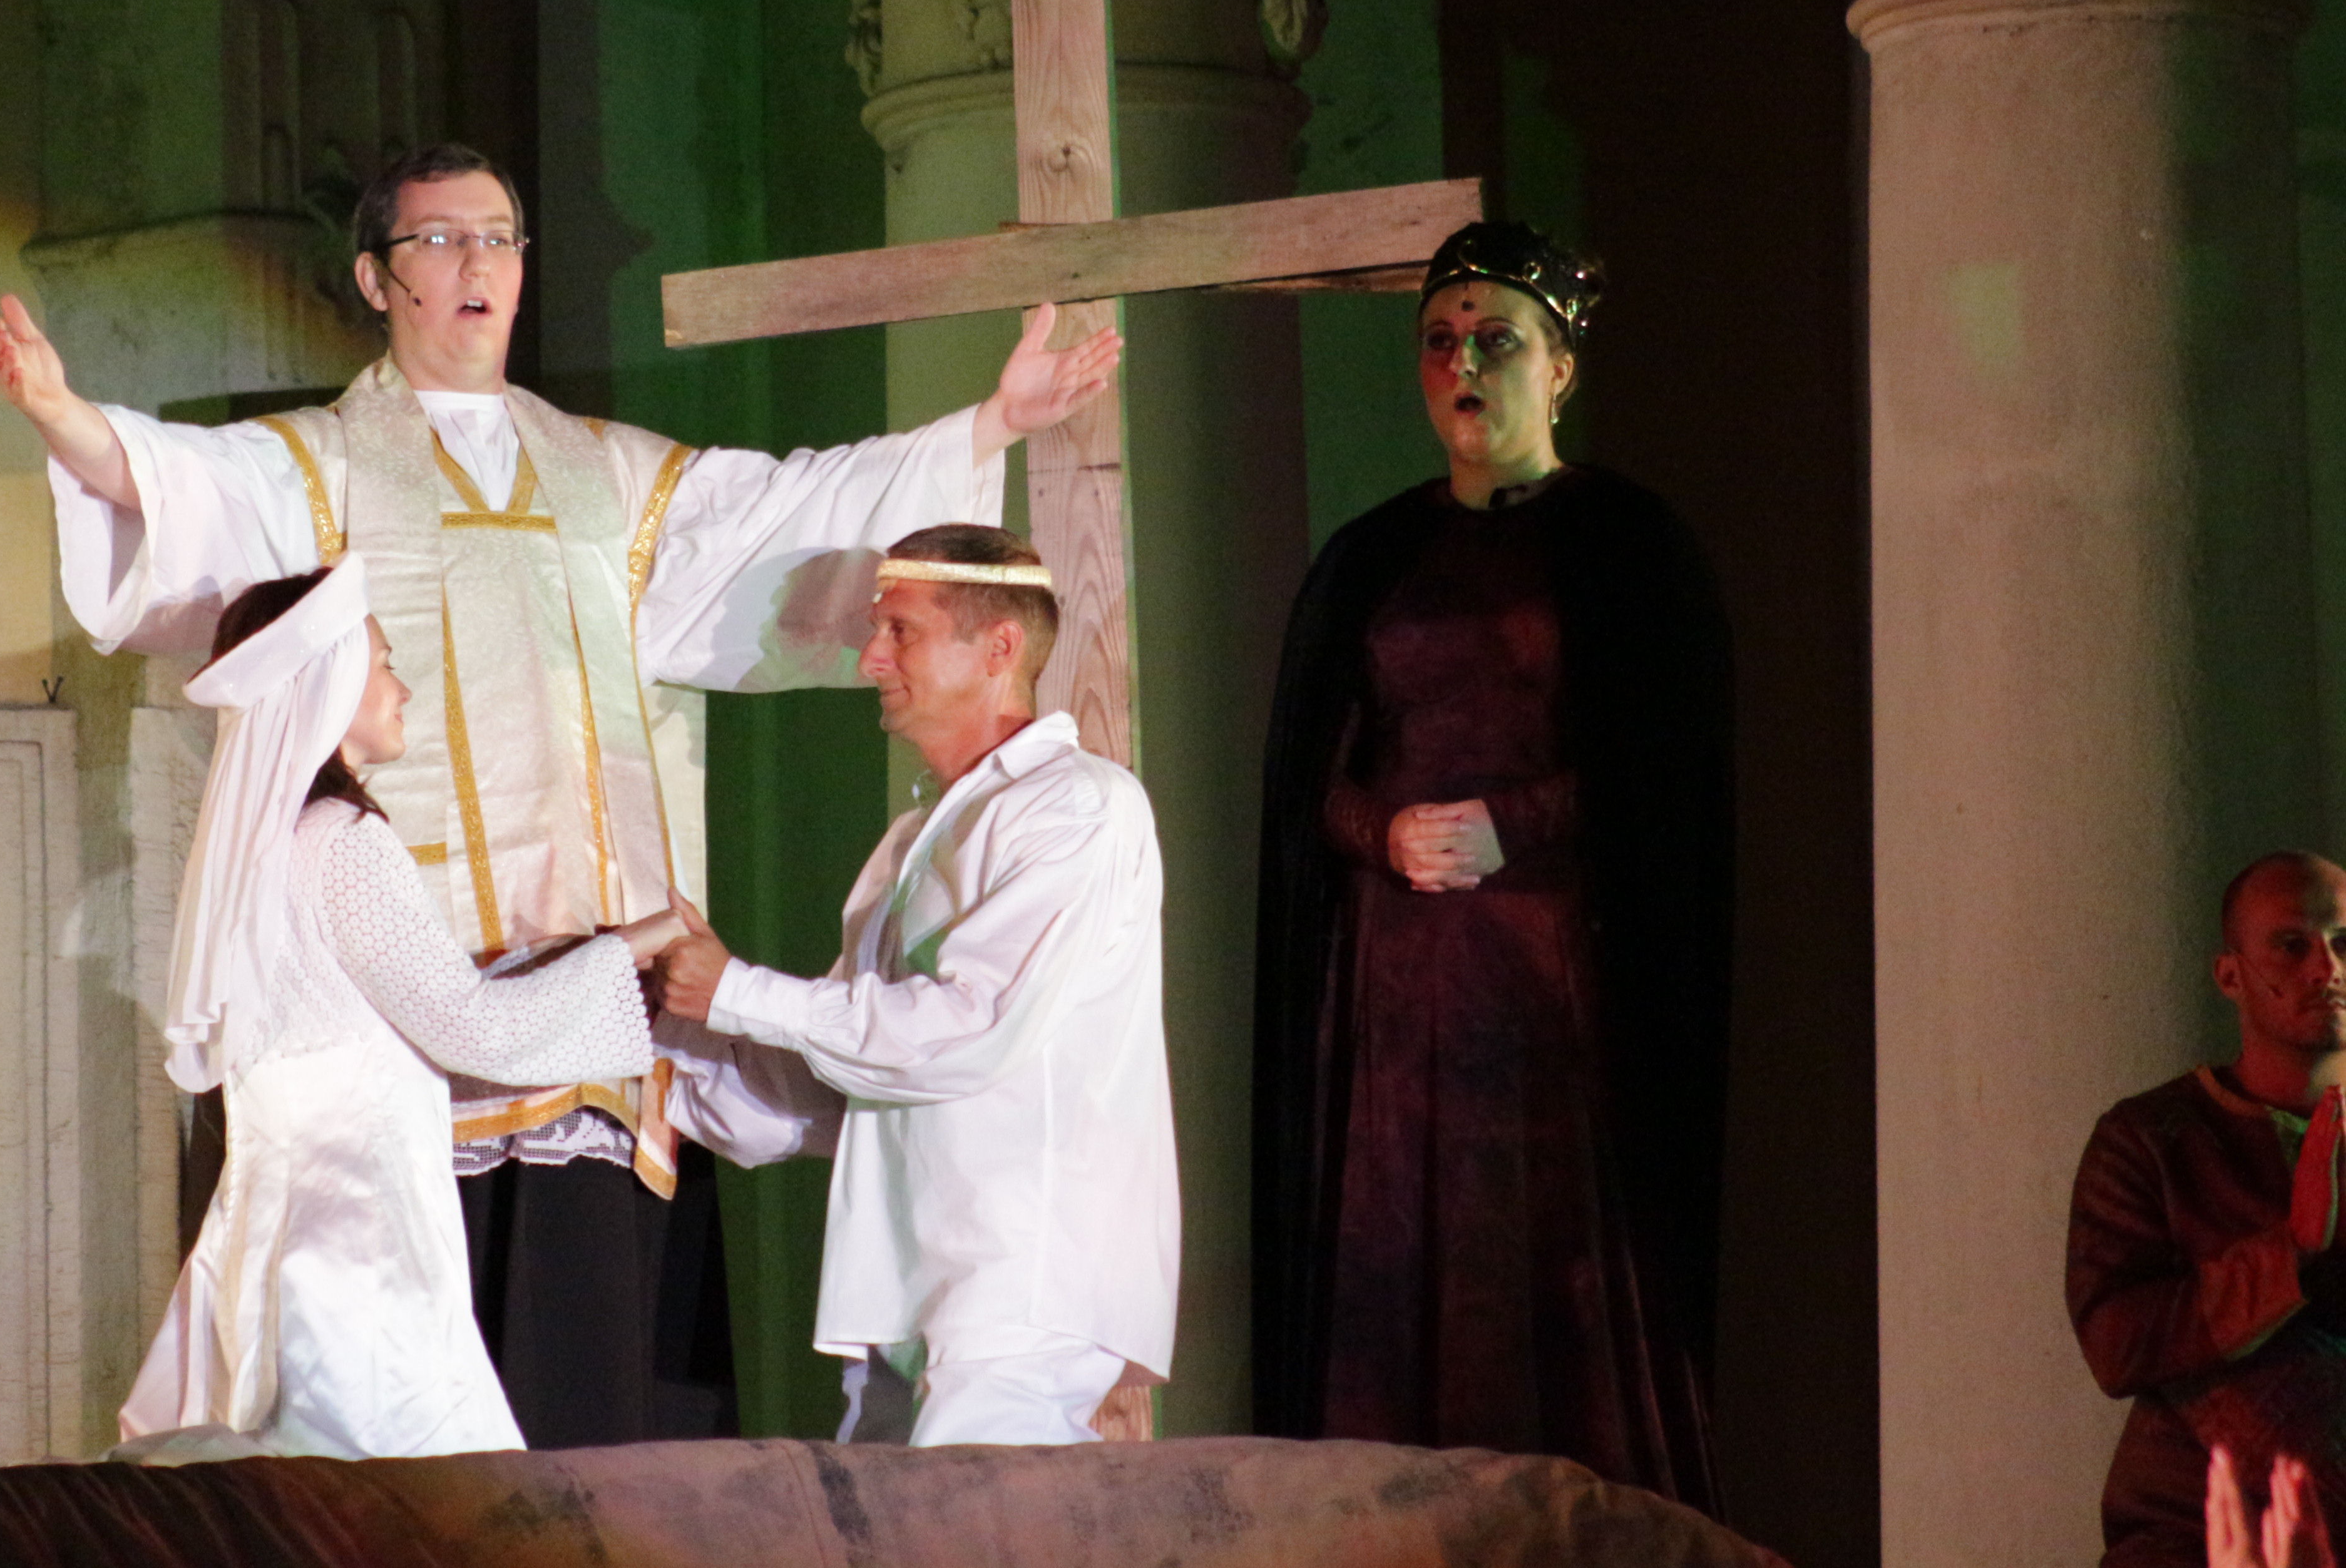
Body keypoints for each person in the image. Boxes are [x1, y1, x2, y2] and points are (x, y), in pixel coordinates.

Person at [0, 141, 1116, 1445]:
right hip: (415, 1042)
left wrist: (988, 427)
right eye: (440, 240)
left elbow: (786, 514)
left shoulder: (603, 473)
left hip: (597, 1029)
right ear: (376, 277)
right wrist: (64, 418)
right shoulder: (320, 467)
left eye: (500, 238)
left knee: (600, 1419)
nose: (477, 263)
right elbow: (183, 487)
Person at [1249, 219, 1732, 1507]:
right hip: (1392, 982)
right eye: (1439, 340)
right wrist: (1378, 833)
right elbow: (1307, 782)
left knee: (1543, 1253)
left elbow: (1663, 765)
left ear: (1560, 368)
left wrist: (1515, 820)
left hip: (1549, 971)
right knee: (1392, 1249)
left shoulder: (1628, 545)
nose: (1462, 363)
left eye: (1495, 340)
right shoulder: (1367, 558)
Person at [115, 558, 687, 1458]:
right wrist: (643, 940)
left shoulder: (260, 854)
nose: (401, 687)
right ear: (329, 681)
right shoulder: (344, 843)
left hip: (265, 1228)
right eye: (383, 663)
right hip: (358, 1238)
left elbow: (373, 1020)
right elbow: (472, 1028)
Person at [648, 522, 1178, 1447]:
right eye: (875, 632)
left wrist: (735, 992)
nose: (871, 661)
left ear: (999, 648)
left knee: (985, 1525)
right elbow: (840, 1087)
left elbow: (967, 1030)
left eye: (901, 631)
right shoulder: (913, 841)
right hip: (905, 1289)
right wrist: (666, 1031)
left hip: (1018, 1283)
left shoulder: (1078, 805)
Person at [2068, 851, 2346, 1566]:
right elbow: (2117, 1342)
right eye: (2293, 945)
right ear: (2231, 976)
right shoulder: (2151, 1138)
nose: (2326, 968)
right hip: (2197, 1534)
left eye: (2344, 943)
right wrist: (2292, 1252)